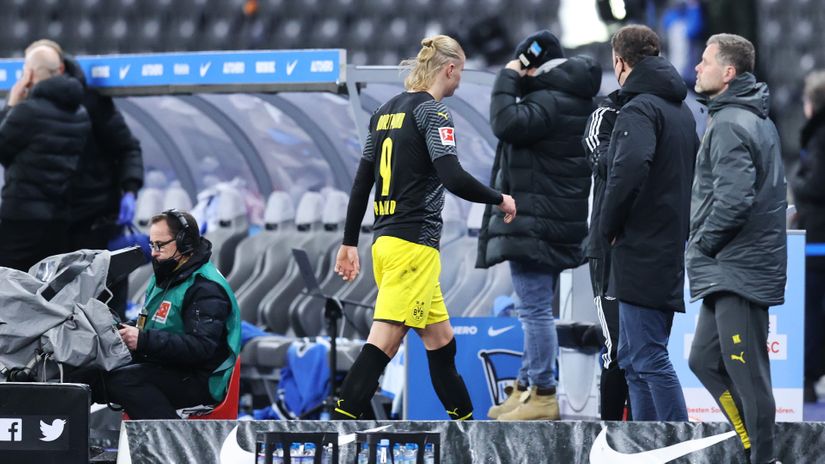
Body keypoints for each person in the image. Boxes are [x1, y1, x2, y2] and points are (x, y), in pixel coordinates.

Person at [331, 34, 517, 421]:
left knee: (441, 344)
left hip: (386, 243)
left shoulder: (383, 112)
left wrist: (350, 241)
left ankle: (466, 429)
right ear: (449, 69)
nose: (459, 81)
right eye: (460, 73)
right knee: (385, 341)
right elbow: (452, 176)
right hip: (413, 246)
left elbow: (362, 182)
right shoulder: (432, 113)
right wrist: (499, 199)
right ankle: (339, 425)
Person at [476, 30, 600, 421]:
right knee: (533, 308)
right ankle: (528, 386)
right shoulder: (572, 99)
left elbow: (504, 121)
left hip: (533, 222)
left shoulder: (547, 101)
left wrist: (507, 77)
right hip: (552, 220)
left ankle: (544, 392)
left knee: (533, 311)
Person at [687, 34, 786, 464]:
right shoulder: (743, 117)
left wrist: (704, 244)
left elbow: (735, 200)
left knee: (750, 381)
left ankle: (762, 459)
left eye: (705, 61)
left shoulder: (730, 123)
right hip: (729, 268)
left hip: (736, 269)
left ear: (728, 73)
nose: (696, 67)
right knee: (704, 362)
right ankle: (750, 446)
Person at [600, 24, 698, 422]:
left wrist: (608, 224)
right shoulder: (682, 111)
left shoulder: (640, 107)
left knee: (649, 359)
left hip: (641, 247)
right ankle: (645, 447)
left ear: (620, 62)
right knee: (632, 360)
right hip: (666, 243)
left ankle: (679, 447)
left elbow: (628, 170)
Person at [75, 210, 241, 419]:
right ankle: (65, 443)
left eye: (160, 245)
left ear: (185, 242)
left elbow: (202, 348)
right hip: (169, 364)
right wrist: (123, 329)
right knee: (86, 375)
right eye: (152, 244)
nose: (153, 252)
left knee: (124, 381)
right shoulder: (167, 275)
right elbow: (153, 321)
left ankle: (168, 445)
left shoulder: (205, 287)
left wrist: (143, 340)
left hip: (201, 378)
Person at [24, 39, 144, 320]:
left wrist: (130, 189)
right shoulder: (29, 107)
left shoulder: (91, 102)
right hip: (53, 224)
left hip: (96, 219)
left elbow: (127, 147)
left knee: (105, 305)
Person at [0, 45, 90, 271]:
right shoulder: (80, 113)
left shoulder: (27, 111)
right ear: (59, 70)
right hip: (58, 218)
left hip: (21, 219)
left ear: (28, 73)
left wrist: (11, 104)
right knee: (46, 290)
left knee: (10, 288)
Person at [582, 90, 631, 421]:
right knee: (621, 349)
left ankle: (620, 436)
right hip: (611, 245)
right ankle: (612, 439)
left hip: (639, 247)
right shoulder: (607, 113)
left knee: (635, 352)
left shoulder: (670, 113)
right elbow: (600, 160)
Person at [791, 70, 825, 403]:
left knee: (812, 311)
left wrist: (795, 183)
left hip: (818, 239)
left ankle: (808, 377)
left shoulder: (817, 137)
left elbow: (815, 184)